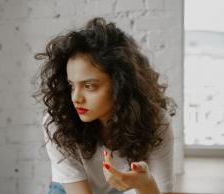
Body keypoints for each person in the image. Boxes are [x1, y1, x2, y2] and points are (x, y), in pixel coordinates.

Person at [34, 17, 176, 194]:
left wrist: (144, 183)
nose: (75, 98)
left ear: (120, 85)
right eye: (71, 85)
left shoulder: (156, 121)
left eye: (89, 86)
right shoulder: (58, 122)